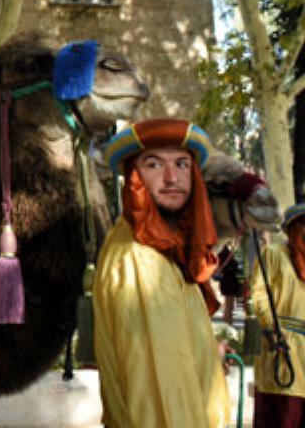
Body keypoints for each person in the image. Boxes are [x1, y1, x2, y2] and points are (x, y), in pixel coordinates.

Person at [93, 118, 230, 428]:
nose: (172, 178)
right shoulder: (139, 260)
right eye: (154, 164)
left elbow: (174, 355)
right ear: (134, 176)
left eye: (182, 164)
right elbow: (165, 402)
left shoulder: (164, 247)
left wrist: (208, 355)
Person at [249, 201, 305, 428]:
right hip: (283, 349)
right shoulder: (274, 254)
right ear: (292, 228)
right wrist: (272, 329)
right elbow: (259, 296)